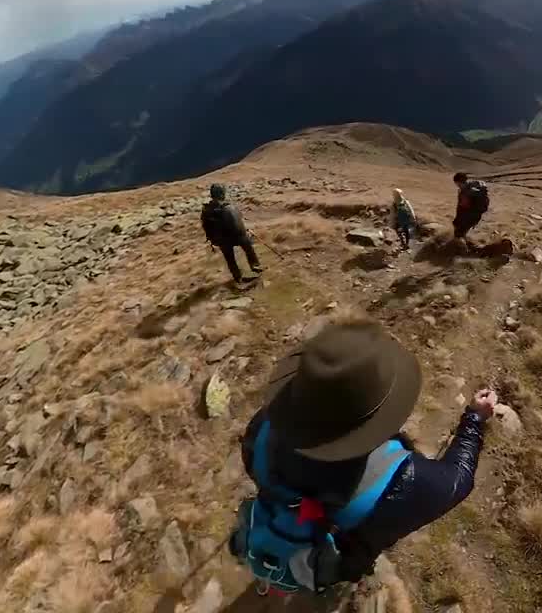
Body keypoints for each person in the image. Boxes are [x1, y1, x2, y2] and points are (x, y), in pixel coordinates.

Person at [230, 321, 497, 601]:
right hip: (341, 553)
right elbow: (458, 478)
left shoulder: (260, 430)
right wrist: (474, 418)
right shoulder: (405, 482)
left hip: (277, 519)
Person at [200, 183, 262, 284]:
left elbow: (206, 226)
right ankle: (255, 266)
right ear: (221, 194)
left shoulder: (206, 210)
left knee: (230, 258)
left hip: (220, 240)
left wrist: (214, 239)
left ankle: (238, 278)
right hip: (235, 237)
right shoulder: (227, 207)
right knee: (247, 244)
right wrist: (244, 232)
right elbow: (237, 223)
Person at [451, 172, 489, 242]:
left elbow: (461, 207)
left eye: (457, 183)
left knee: (459, 234)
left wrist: (457, 220)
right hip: (474, 215)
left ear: (459, 182)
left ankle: (466, 249)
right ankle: (466, 244)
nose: (457, 185)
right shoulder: (469, 188)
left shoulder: (466, 192)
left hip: (471, 215)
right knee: (460, 232)